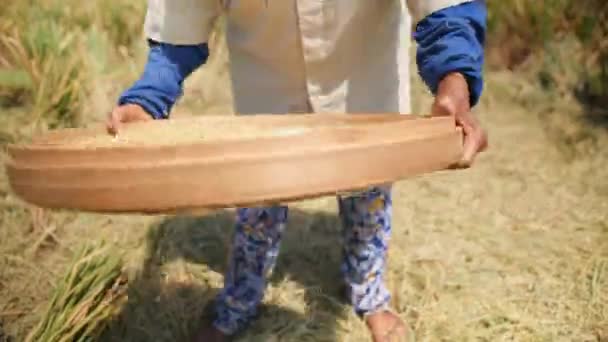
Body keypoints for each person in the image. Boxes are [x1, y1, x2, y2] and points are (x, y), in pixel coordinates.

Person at [106, 0, 488, 341]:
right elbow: (182, 18)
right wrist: (150, 97)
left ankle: (369, 295)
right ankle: (239, 302)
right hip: (268, 91)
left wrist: (454, 77)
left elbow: (445, 8)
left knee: (368, 205)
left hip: (365, 84)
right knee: (258, 210)